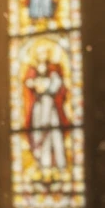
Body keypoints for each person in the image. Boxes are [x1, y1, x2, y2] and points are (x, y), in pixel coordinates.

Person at [21, 43, 69, 178]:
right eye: (40, 53)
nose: (42, 55)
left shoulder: (53, 70)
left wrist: (45, 85)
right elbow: (28, 85)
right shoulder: (32, 71)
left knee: (54, 135)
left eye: (45, 53)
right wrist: (36, 84)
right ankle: (43, 166)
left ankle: (61, 166)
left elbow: (56, 85)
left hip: (50, 108)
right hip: (39, 108)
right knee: (40, 135)